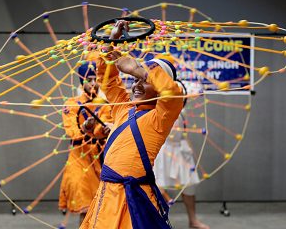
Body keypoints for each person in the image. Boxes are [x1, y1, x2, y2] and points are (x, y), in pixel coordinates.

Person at [80, 20, 183, 229]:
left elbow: (172, 93)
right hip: (106, 195)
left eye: (142, 80)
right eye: (134, 79)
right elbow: (107, 79)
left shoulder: (161, 117)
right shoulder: (123, 107)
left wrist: (139, 70)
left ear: (157, 85)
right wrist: (111, 40)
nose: (135, 84)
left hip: (135, 198)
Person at [58, 59, 113, 225]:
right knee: (85, 203)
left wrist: (102, 129)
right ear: (82, 81)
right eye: (89, 80)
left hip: (100, 157)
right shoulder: (71, 104)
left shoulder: (105, 104)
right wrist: (84, 127)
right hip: (78, 157)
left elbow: (104, 126)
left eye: (96, 79)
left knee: (100, 207)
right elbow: (71, 131)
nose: (94, 83)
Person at [154, 114, 210, 229]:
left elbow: (184, 135)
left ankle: (193, 220)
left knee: (189, 186)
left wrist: (192, 154)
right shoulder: (161, 109)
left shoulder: (182, 112)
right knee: (157, 188)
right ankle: (156, 223)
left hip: (182, 151)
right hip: (164, 152)